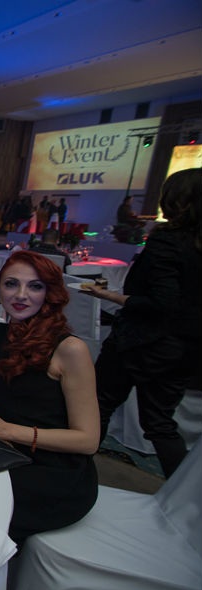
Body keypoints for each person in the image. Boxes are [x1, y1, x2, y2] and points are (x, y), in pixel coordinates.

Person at [0, 251, 99, 544]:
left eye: (34, 286)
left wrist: (8, 430)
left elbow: (88, 440)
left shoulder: (70, 350)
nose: (20, 295)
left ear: (50, 292)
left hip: (50, 470)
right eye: (11, 284)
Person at [86, 168, 202, 477]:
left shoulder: (168, 241)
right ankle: (184, 497)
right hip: (186, 349)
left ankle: (75, 476)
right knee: (159, 423)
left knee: (98, 404)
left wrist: (111, 296)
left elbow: (162, 303)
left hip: (142, 342)